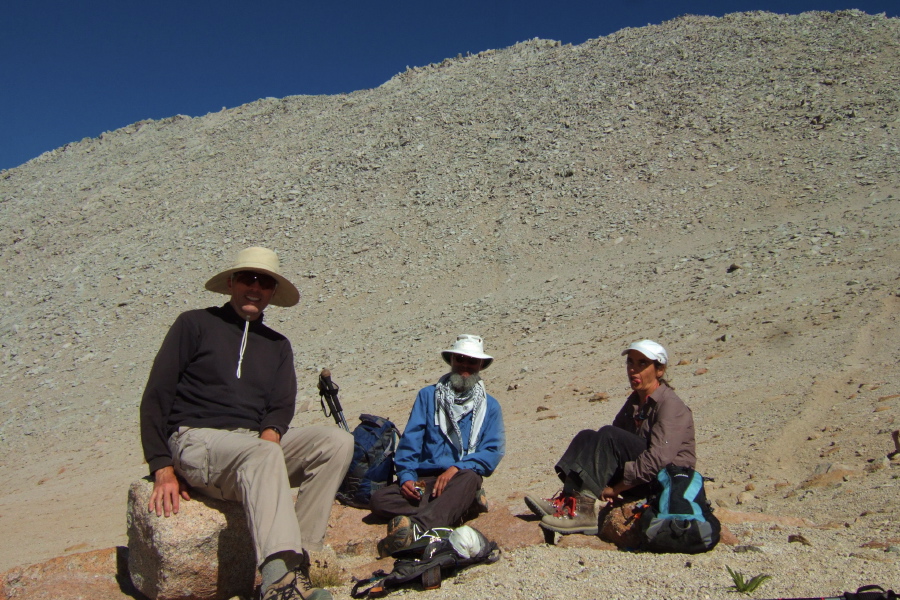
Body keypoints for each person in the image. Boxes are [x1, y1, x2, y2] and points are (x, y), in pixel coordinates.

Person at [140, 247, 354, 600]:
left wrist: (269, 438)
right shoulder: (194, 324)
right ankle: (278, 586)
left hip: (252, 446)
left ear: (272, 292)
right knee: (262, 453)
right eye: (247, 279)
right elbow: (157, 395)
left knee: (337, 442)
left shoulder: (277, 345)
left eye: (265, 282)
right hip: (197, 440)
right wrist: (161, 465)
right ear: (231, 283)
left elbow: (280, 407)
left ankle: (297, 564)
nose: (255, 288)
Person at [525, 339, 695, 535]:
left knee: (608, 435)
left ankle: (584, 511)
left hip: (667, 482)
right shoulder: (635, 402)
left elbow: (659, 460)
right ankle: (568, 500)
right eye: (630, 362)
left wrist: (617, 489)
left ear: (659, 370)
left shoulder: (670, 406)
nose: (633, 369)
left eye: (642, 363)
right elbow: (610, 448)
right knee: (587, 437)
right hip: (641, 475)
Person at [369, 334, 505, 557]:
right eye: (460, 359)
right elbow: (410, 442)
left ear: (481, 365)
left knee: (470, 478)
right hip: (427, 482)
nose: (465, 366)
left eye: (472, 361)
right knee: (379, 500)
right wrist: (406, 478)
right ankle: (462, 506)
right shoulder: (428, 396)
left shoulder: (491, 407)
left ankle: (418, 529)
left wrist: (457, 468)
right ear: (452, 360)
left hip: (460, 478)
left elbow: (492, 451)